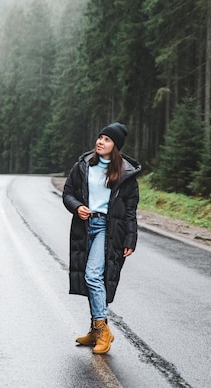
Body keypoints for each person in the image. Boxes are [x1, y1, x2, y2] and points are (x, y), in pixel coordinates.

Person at [62, 122, 142, 354]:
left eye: (107, 139)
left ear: (115, 145)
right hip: (84, 227)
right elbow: (68, 193)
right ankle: (96, 329)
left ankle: (103, 331)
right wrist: (77, 207)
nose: (100, 141)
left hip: (109, 230)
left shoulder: (126, 175)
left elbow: (130, 211)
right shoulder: (83, 166)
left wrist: (130, 238)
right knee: (90, 279)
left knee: (93, 275)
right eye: (100, 137)